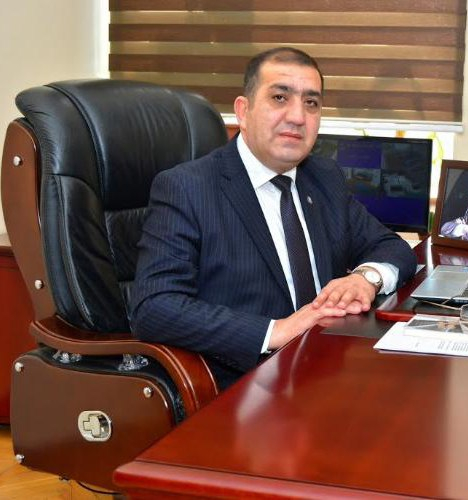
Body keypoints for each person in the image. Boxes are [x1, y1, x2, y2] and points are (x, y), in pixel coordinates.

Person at [131, 47, 417, 389]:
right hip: (242, 385)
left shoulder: (323, 177)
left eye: (311, 103)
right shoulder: (187, 187)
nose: (297, 116)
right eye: (280, 97)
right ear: (244, 111)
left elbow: (392, 248)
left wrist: (365, 279)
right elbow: (154, 307)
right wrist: (276, 331)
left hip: (326, 369)